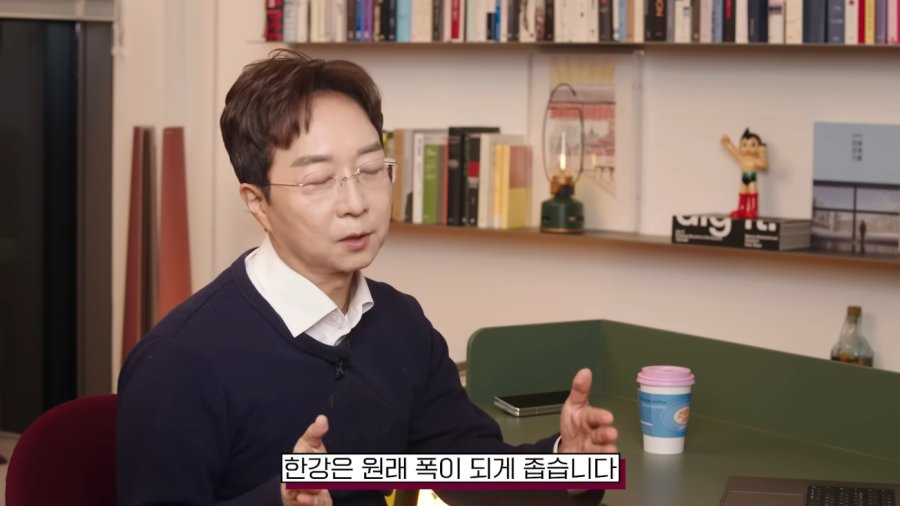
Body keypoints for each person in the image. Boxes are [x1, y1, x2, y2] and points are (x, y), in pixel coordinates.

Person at [116, 49, 619, 506]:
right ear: (258, 202)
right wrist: (280, 500)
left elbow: (467, 469)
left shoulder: (400, 323)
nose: (356, 203)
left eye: (372, 169)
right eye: (318, 180)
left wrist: (567, 465)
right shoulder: (180, 361)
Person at [721, 128, 769, 219]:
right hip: (744, 178)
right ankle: (741, 209)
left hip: (752, 178)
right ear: (740, 146)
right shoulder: (741, 158)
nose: (748, 148)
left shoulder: (756, 160)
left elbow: (764, 165)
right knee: (742, 193)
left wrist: (762, 152)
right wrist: (726, 143)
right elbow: (733, 151)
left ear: (758, 147)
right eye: (744, 145)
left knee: (752, 193)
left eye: (753, 145)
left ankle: (753, 210)